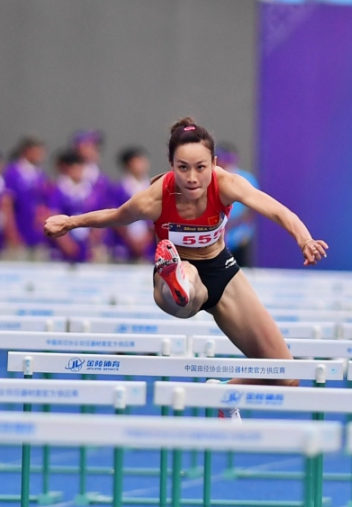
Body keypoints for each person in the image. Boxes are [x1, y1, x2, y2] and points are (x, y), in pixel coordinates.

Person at [45, 118, 329, 420]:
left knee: (286, 375)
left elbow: (276, 209)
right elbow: (116, 216)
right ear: (170, 164)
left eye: (200, 168)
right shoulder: (155, 197)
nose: (192, 178)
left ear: (214, 163)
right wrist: (70, 222)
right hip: (175, 274)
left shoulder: (227, 184)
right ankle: (177, 277)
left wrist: (305, 239)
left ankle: (223, 392)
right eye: (182, 168)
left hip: (222, 269)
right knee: (191, 291)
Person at [47, 149, 107, 263]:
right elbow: (53, 215)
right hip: (63, 246)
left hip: (88, 245)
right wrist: (65, 243)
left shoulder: (92, 191)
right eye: (75, 168)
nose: (78, 171)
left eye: (81, 167)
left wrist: (93, 241)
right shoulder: (58, 190)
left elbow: (101, 215)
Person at [4, 135, 51, 261]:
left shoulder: (40, 174)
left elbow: (42, 203)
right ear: (27, 150)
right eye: (38, 150)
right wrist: (11, 232)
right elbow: (6, 204)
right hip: (19, 234)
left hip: (37, 236)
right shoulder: (12, 173)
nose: (41, 154)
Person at [217, 143, 258, 268]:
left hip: (239, 236)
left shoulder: (247, 179)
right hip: (215, 237)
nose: (226, 162)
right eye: (223, 158)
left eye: (229, 159)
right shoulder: (210, 178)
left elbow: (252, 211)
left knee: (241, 271)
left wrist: (231, 224)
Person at [110, 146, 154, 263]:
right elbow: (115, 214)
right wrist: (129, 239)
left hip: (148, 245)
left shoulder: (152, 187)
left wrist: (147, 239)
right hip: (124, 244)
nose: (142, 164)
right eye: (137, 161)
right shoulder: (119, 188)